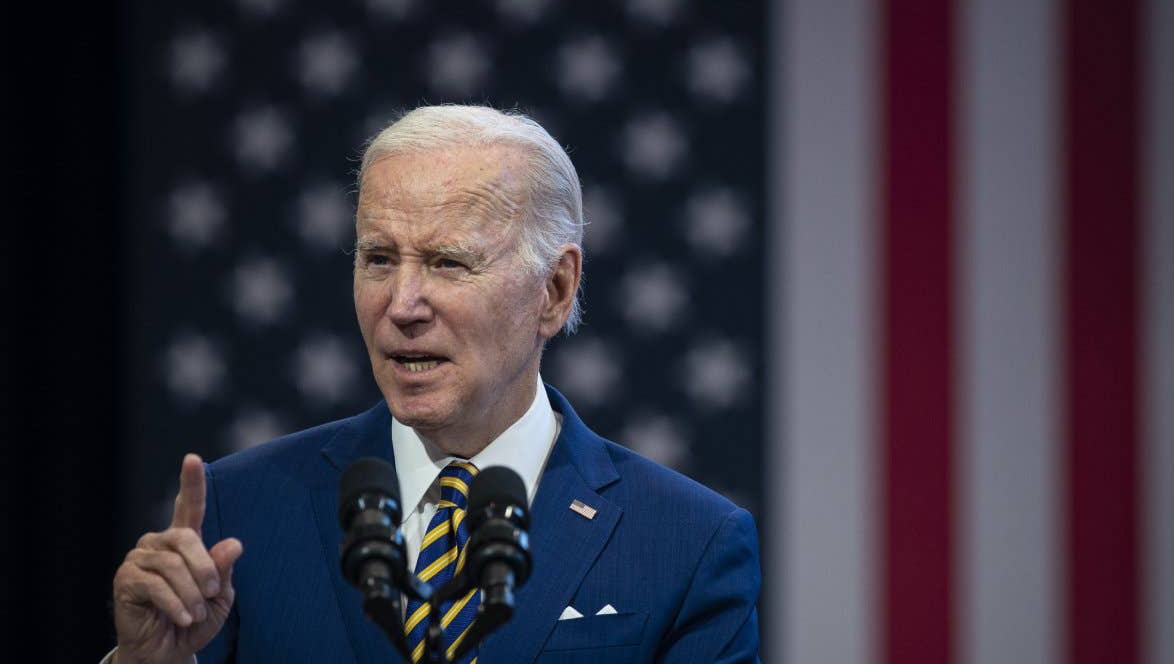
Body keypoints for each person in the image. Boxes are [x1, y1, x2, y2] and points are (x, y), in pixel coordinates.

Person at [109, 105, 762, 664]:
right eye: (380, 259)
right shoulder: (242, 514)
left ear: (555, 291)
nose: (403, 305)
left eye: (449, 262)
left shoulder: (687, 542)